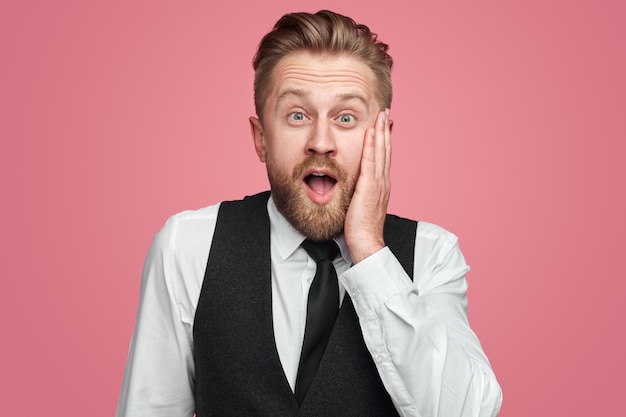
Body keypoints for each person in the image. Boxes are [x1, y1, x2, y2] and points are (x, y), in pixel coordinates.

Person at [116, 9, 502, 417]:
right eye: (297, 116)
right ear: (261, 138)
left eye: (346, 118)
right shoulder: (188, 246)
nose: (321, 142)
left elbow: (470, 412)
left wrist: (370, 252)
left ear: (383, 140)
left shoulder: (431, 254)